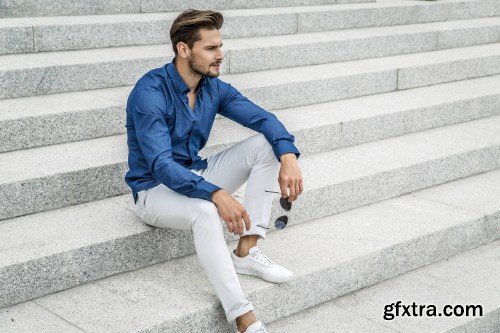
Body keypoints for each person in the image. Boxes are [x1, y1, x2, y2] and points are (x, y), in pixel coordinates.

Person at [124, 9, 303, 333]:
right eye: (210, 48)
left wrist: (288, 155)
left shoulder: (212, 88)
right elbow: (161, 165)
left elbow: (263, 119)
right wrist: (217, 193)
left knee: (268, 145)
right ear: (183, 49)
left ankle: (246, 250)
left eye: (220, 46)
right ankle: (242, 315)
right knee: (207, 210)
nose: (220, 55)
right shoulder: (149, 93)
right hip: (153, 190)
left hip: (196, 173)